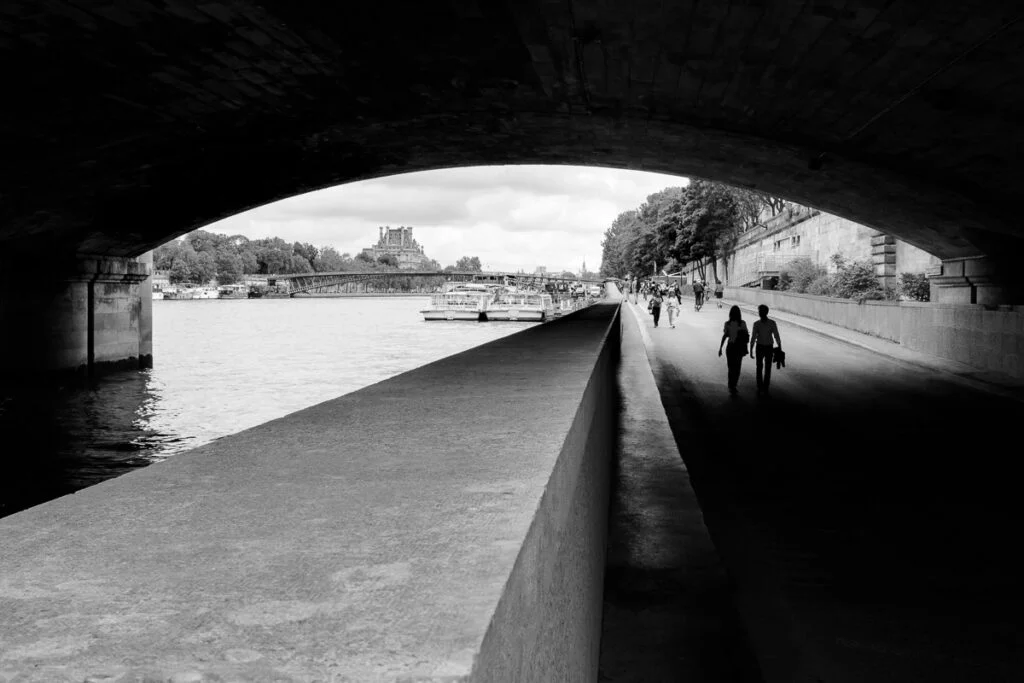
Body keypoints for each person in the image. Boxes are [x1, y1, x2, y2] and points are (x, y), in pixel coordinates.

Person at [749, 304, 782, 395]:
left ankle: (761, 387)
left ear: (763, 312)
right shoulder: (771, 323)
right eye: (759, 311)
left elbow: (753, 338)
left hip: (761, 347)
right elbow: (776, 336)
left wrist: (751, 350)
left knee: (760, 368)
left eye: (760, 311)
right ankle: (764, 387)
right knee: (767, 368)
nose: (759, 313)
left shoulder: (757, 324)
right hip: (767, 347)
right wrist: (780, 347)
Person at [718, 305, 749, 394]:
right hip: (739, 348)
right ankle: (733, 385)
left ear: (730, 314)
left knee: (731, 367)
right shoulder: (742, 323)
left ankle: (730, 384)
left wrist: (720, 348)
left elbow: (725, 336)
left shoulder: (727, 324)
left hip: (730, 347)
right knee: (737, 367)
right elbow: (746, 336)